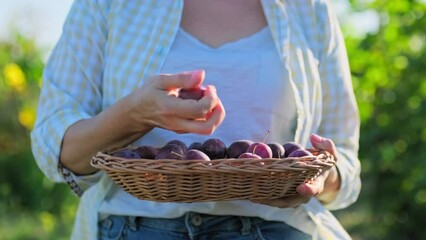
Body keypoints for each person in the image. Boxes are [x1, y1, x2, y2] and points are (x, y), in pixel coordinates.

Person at [31, 0, 361, 239]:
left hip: (275, 230)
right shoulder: (108, 4)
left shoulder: (310, 9)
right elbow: (57, 151)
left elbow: (343, 157)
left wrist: (318, 178)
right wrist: (135, 114)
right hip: (135, 230)